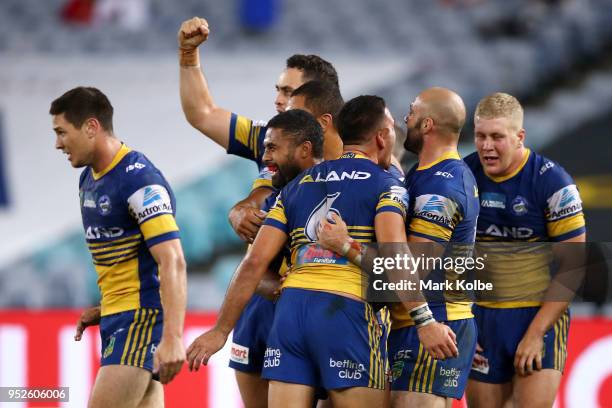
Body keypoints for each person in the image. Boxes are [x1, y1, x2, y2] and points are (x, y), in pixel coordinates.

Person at [186, 96, 458, 408]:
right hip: (345, 313)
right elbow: (396, 259)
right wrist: (424, 322)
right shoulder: (388, 185)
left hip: (291, 315)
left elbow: (254, 262)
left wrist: (220, 331)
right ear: (382, 137)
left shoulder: (296, 185)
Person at [317, 88, 479, 407]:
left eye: (412, 112)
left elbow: (410, 270)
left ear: (428, 125)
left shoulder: (443, 187)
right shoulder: (420, 175)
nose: (407, 119)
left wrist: (346, 245)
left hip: (435, 322)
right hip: (411, 322)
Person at [50, 87, 187, 408]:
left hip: (140, 319)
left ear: (91, 127)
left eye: (61, 132)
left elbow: (173, 261)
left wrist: (173, 337)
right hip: (120, 315)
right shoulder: (89, 178)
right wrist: (107, 307)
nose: (57, 143)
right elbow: (129, 259)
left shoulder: (138, 180)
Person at [464, 92, 586, 407]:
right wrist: (458, 319)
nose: (486, 146)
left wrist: (535, 333)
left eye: (496, 137)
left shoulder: (554, 183)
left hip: (538, 316)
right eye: (480, 136)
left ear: (520, 137)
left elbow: (573, 267)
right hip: (483, 320)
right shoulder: (464, 176)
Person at [177, 17, 340, 243]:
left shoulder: (360, 150)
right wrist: (188, 55)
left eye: (288, 92)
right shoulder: (266, 137)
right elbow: (202, 114)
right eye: (278, 91)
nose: (278, 101)